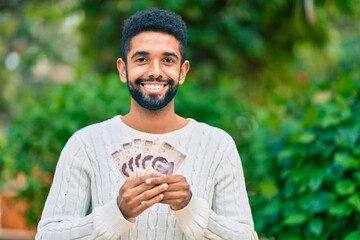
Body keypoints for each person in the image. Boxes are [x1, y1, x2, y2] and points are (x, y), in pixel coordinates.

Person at [35, 8, 258, 240]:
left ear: (182, 72)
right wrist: (117, 212)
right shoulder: (86, 144)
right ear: (123, 69)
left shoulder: (218, 145)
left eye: (168, 60)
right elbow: (47, 236)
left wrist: (190, 207)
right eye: (142, 59)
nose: (155, 71)